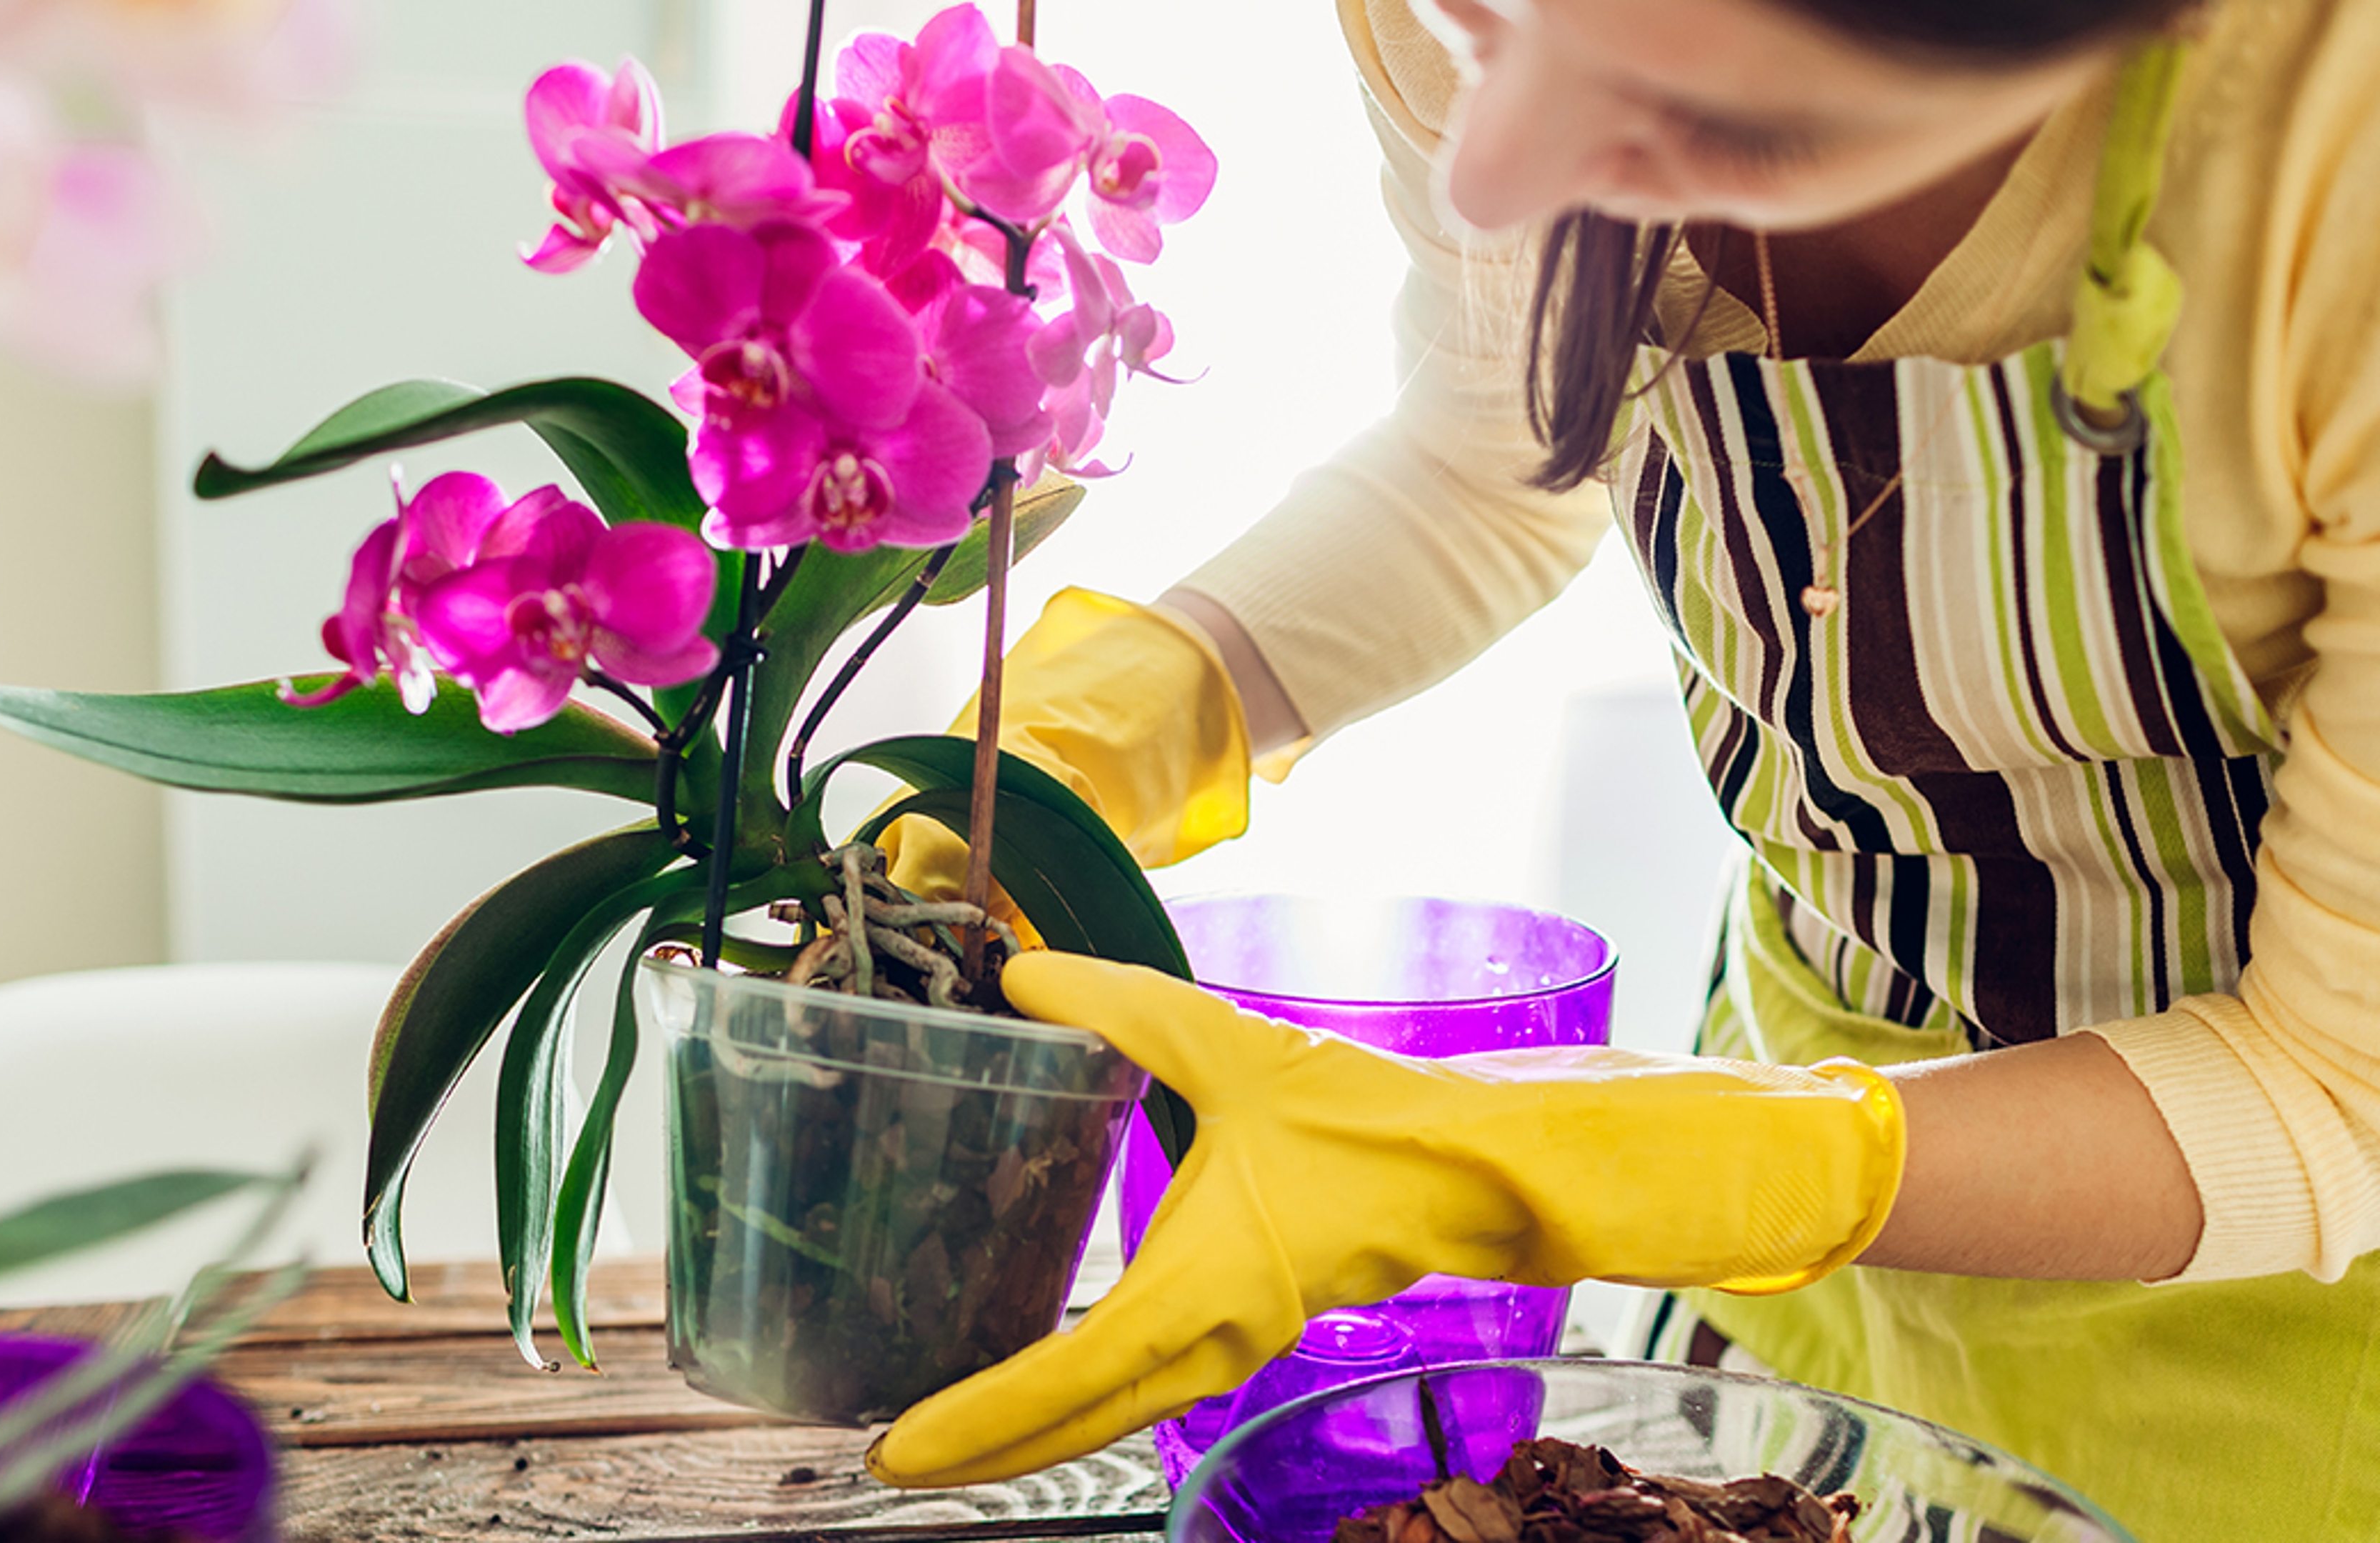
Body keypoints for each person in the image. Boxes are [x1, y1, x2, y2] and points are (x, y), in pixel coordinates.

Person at [857, 0, 2380, 1536]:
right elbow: (1492, 443)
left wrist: (1624, 1155)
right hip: (1793, 1217)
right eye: (1480, 30)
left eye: (1665, 94)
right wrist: (1108, 730)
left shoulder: (2341, 151)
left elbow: (2338, 1084)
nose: (1491, 173)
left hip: (2278, 1335)